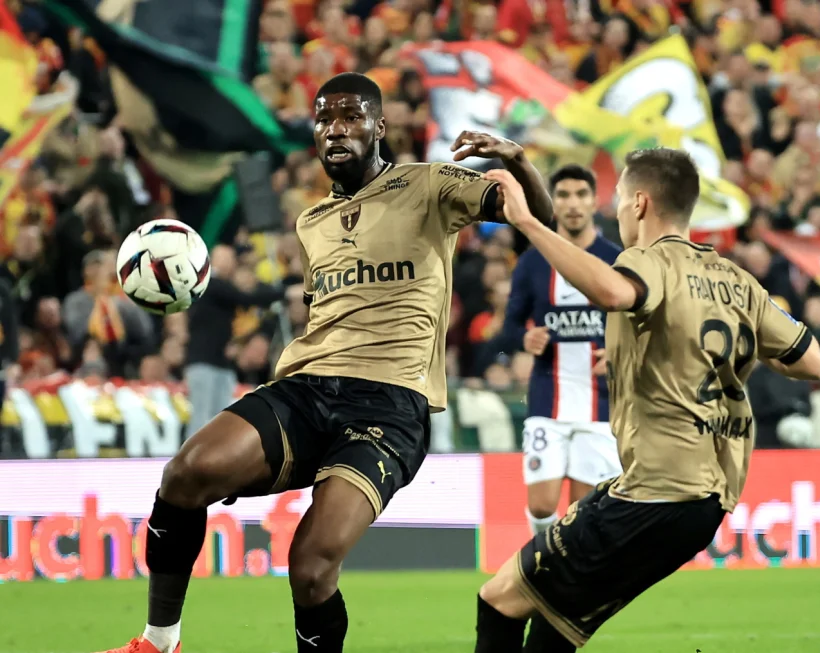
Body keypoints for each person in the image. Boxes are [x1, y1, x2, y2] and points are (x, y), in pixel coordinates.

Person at [97, 72, 554, 653]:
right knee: (185, 474)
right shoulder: (310, 223)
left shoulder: (431, 184)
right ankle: (159, 643)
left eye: (351, 116)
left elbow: (535, 224)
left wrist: (518, 163)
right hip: (307, 388)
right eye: (324, 118)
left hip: (389, 405)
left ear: (379, 126)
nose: (335, 128)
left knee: (311, 565)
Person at [473, 148, 820, 652]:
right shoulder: (736, 280)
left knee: (498, 600)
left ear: (639, 203)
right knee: (555, 630)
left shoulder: (645, 259)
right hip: (708, 501)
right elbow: (813, 362)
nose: (615, 209)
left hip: (655, 491)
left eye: (618, 197)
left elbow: (617, 294)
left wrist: (529, 223)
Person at [501, 164, 623, 535]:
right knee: (540, 505)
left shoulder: (615, 258)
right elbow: (507, 328)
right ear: (553, 202)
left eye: (581, 194)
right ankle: (543, 566)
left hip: (599, 403)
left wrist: (620, 351)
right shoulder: (533, 262)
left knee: (583, 512)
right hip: (547, 398)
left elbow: (638, 320)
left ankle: (571, 581)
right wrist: (523, 340)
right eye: (564, 195)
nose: (572, 204)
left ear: (594, 201)